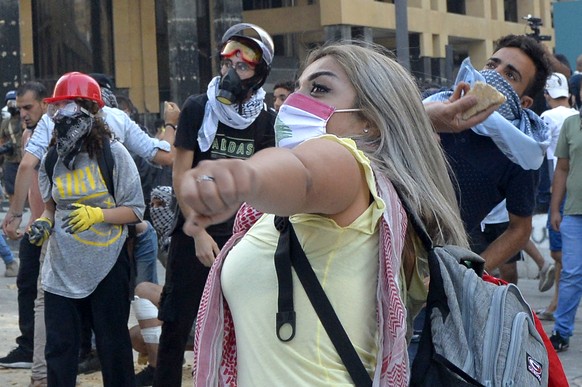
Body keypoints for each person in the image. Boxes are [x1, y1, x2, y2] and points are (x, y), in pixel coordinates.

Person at [185, 40, 468, 385]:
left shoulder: (349, 168)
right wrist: (419, 118)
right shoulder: (332, 200)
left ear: (372, 119)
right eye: (298, 87)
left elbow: (303, 177)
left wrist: (242, 177)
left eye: (319, 88)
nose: (293, 102)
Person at [154, 22, 276, 386]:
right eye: (227, 62)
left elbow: (265, 185)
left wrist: (252, 239)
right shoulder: (196, 108)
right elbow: (180, 175)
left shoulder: (266, 120)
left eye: (243, 65)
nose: (231, 72)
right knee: (176, 326)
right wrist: (198, 231)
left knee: (243, 327)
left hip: (243, 238)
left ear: (259, 73)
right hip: (193, 235)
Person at [27, 71, 145, 386]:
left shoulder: (113, 154)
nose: (61, 113)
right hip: (61, 265)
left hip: (107, 263)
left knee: (112, 345)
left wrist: (99, 215)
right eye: (58, 107)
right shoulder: (53, 156)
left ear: (88, 109)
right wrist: (44, 220)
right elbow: (51, 202)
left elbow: (135, 209)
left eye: (68, 106)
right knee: (60, 347)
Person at [425, 34, 552, 274]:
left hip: (438, 262)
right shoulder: (437, 103)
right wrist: (424, 120)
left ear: (524, 103)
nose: (494, 75)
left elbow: (520, 229)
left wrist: (467, 272)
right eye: (492, 65)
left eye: (510, 75)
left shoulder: (521, 153)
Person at [0, 82, 48, 373]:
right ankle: (29, 345)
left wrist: (17, 215)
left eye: (28, 107)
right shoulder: (28, 134)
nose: (23, 114)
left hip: (57, 226)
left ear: (45, 103)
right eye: (20, 109)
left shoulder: (58, 132)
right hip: (36, 225)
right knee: (28, 285)